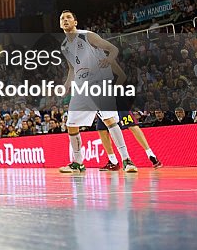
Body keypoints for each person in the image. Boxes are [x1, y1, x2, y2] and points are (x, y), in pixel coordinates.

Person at [57, 10, 137, 174]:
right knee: (71, 125)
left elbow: (112, 49)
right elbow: (72, 68)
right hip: (81, 86)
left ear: (75, 22)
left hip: (99, 82)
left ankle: (127, 160)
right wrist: (66, 86)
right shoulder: (64, 45)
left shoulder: (87, 36)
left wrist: (108, 59)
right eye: (62, 18)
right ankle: (78, 163)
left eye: (68, 17)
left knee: (109, 120)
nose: (65, 20)